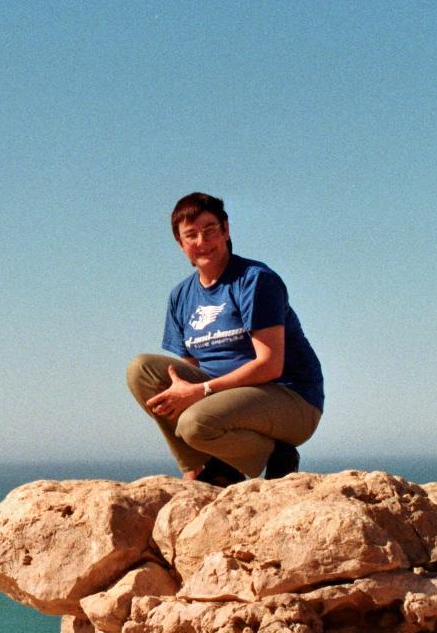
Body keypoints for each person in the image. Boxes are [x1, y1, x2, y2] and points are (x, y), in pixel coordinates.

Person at [126, 193, 324, 486]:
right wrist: (196, 394)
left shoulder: (254, 280)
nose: (202, 241)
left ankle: (276, 455)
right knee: (141, 370)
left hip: (290, 398)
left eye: (210, 230)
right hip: (224, 401)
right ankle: (206, 468)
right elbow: (188, 372)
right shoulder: (181, 296)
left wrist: (202, 391)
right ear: (180, 243)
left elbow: (270, 365)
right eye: (191, 235)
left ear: (226, 230)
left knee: (195, 422)